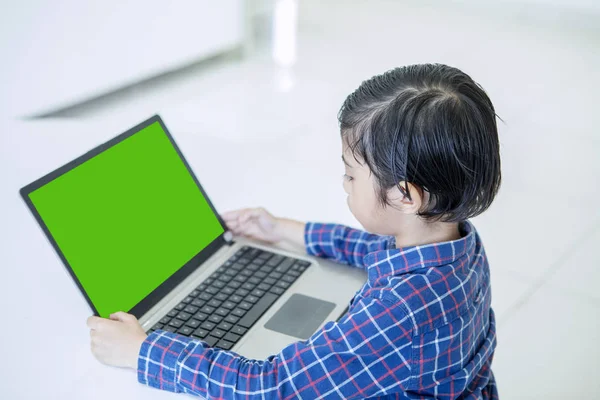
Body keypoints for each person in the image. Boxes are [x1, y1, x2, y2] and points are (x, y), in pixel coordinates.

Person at [86, 63, 501, 399]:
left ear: (406, 195)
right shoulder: (458, 242)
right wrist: (285, 230)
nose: (344, 183)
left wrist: (142, 353)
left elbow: (272, 387)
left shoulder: (400, 311)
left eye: (351, 174)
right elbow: (372, 249)